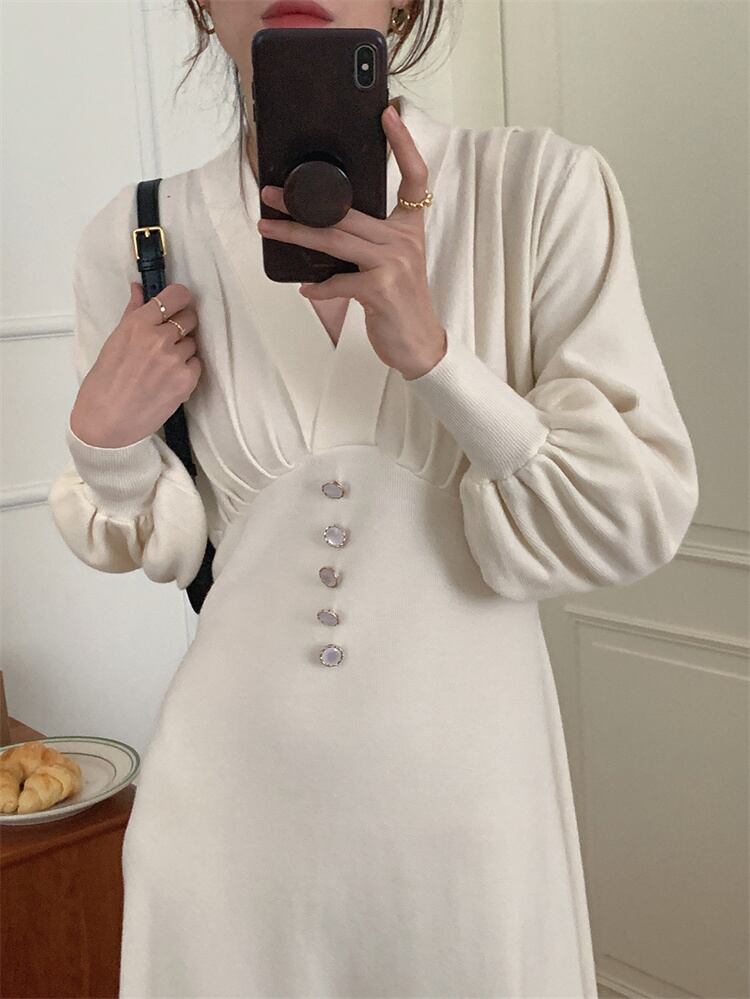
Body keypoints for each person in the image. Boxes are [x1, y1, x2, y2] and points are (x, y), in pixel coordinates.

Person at [48, 1, 700, 995]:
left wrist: (437, 360)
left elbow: (628, 517)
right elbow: (164, 542)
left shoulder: (537, 190)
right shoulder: (136, 236)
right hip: (222, 826)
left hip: (468, 822)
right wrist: (101, 444)